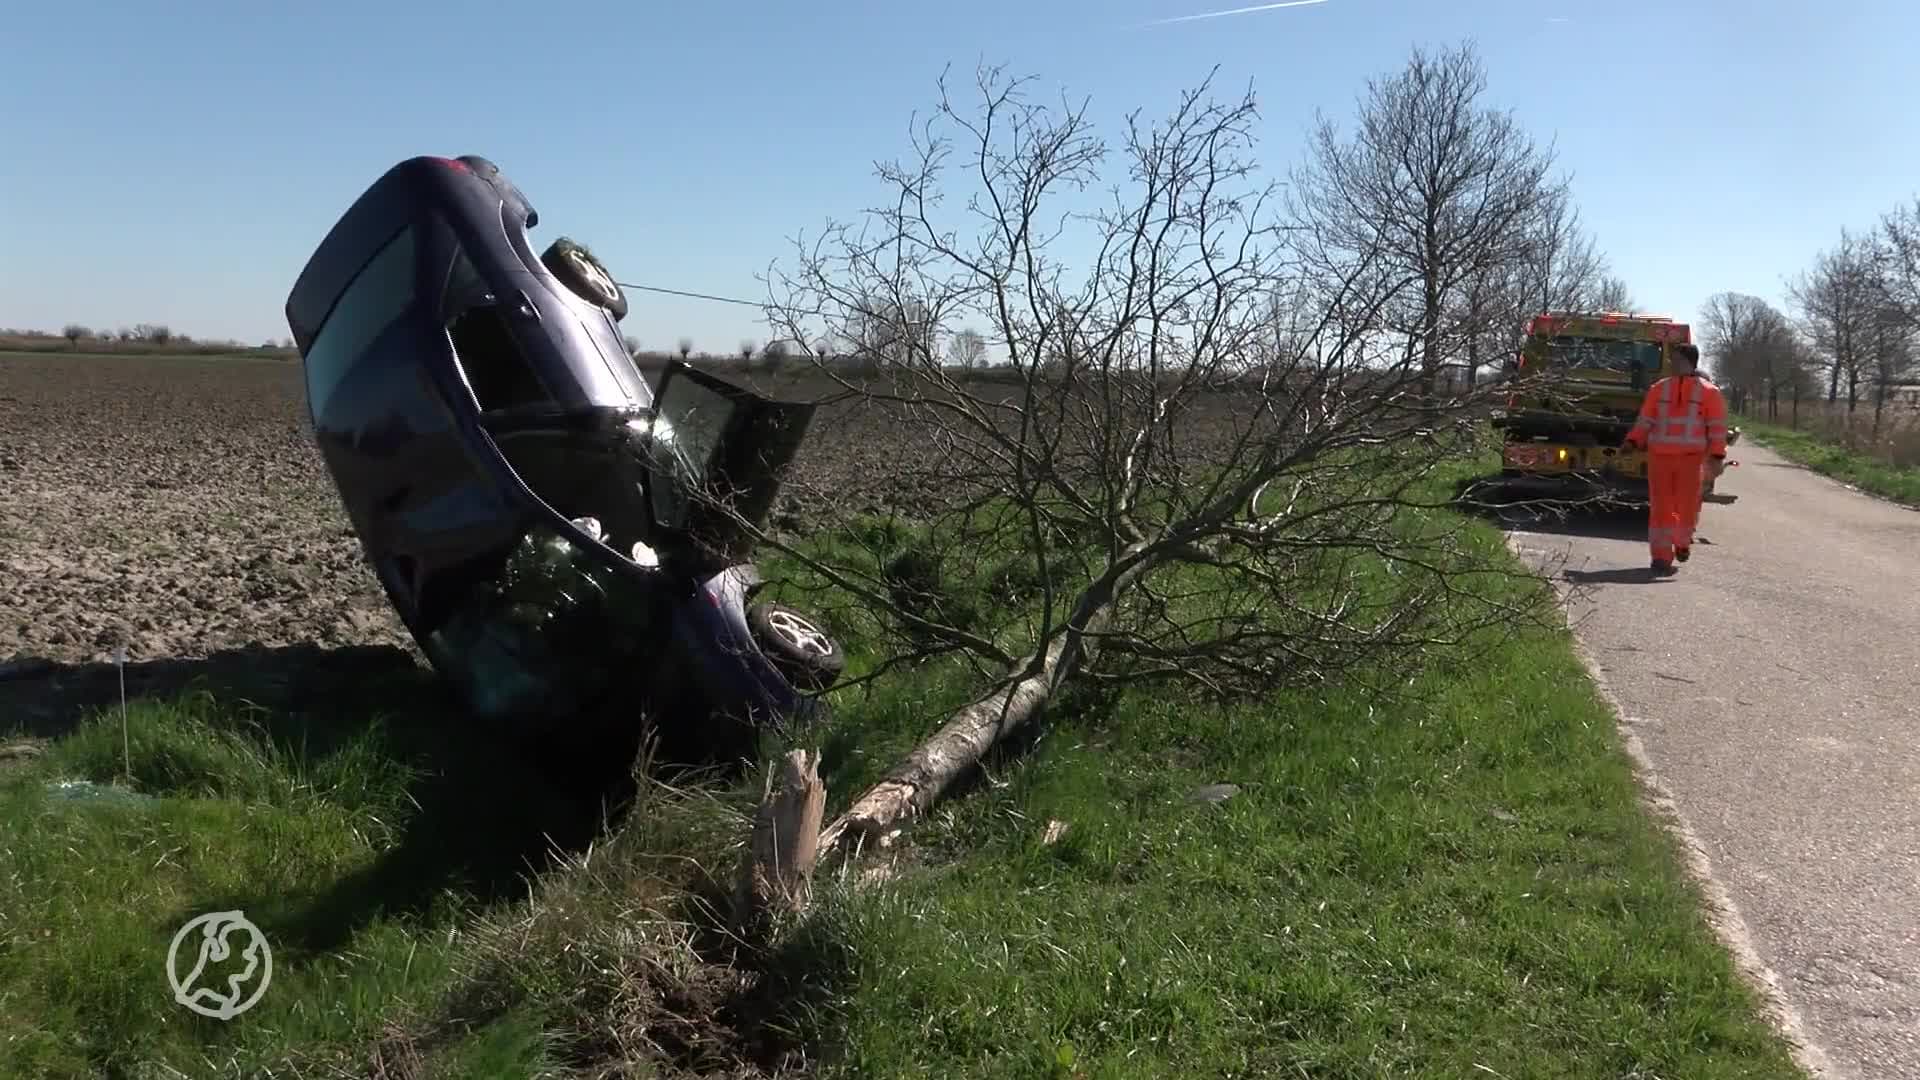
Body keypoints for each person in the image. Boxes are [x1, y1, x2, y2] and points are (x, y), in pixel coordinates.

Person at [1623, 342, 1728, 576]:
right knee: (1661, 508)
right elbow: (1646, 420)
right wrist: (1633, 441)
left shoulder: (1709, 392)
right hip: (1660, 457)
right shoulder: (1658, 389)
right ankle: (1661, 558)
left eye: (1678, 359)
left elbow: (1717, 428)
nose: (1673, 363)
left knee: (1686, 507)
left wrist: (1717, 455)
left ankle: (1681, 543)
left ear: (1691, 362)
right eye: (1673, 359)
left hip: (1691, 459)